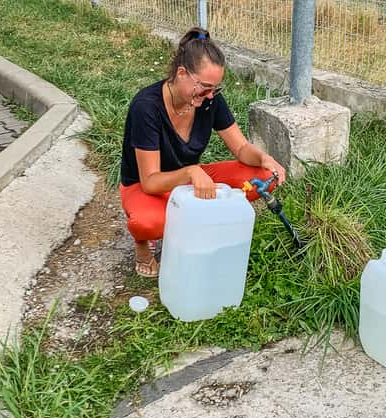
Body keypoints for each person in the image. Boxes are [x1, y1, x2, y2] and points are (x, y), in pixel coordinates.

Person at [119, 27, 286, 277]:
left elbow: (240, 148)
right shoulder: (146, 107)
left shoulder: (209, 100)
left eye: (214, 89)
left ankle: (206, 222)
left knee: (261, 177)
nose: (209, 96)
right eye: (204, 87)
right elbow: (150, 181)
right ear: (182, 73)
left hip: (188, 178)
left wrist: (263, 157)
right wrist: (190, 173)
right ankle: (143, 244)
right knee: (147, 223)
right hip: (147, 186)